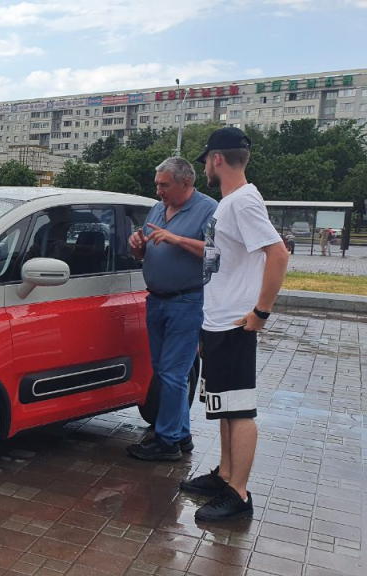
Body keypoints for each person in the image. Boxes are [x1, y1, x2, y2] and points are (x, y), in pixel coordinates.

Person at [181, 127, 289, 521]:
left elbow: (278, 254)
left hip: (236, 323)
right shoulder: (230, 203)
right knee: (224, 405)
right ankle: (225, 474)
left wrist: (261, 312)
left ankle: (239, 493)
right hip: (218, 320)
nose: (205, 169)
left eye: (206, 162)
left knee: (240, 409)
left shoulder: (243, 201)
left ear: (217, 159)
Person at [126, 157, 217, 461]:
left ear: (186, 183)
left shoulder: (209, 209)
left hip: (186, 302)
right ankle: (182, 434)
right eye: (157, 185)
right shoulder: (158, 208)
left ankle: (166, 442)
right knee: (165, 372)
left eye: (164, 185)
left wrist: (176, 239)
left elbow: (217, 254)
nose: (159, 191)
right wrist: (138, 247)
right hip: (157, 300)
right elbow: (146, 252)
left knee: (173, 373)